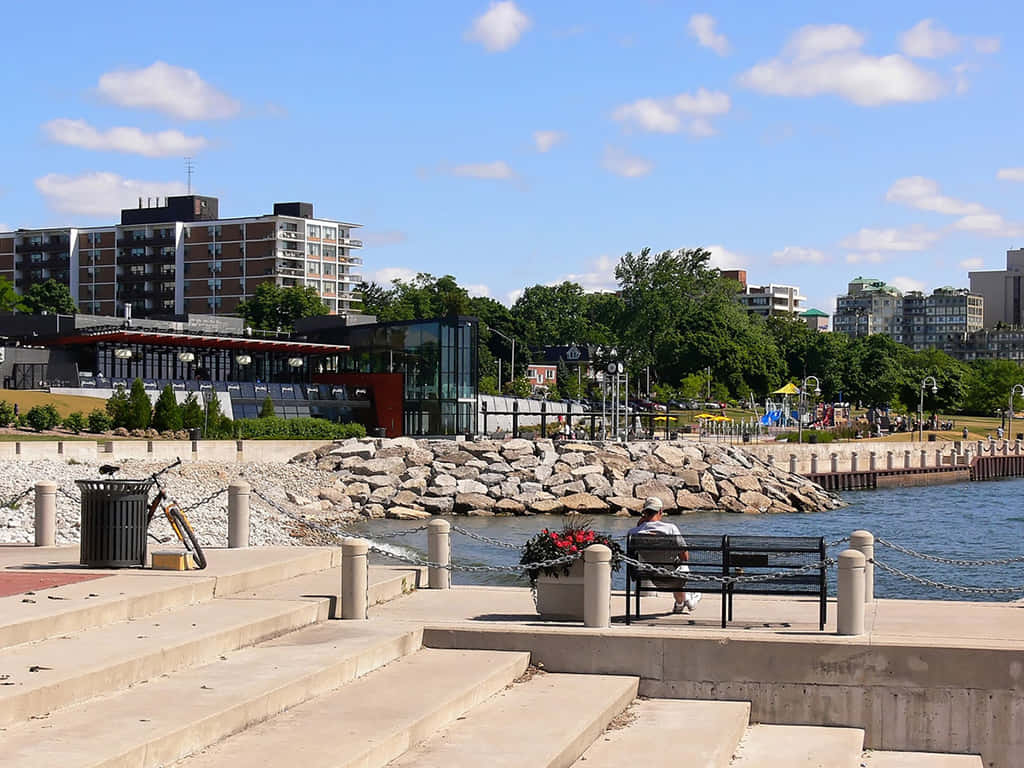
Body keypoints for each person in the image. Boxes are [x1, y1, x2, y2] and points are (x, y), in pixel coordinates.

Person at [627, 497, 702, 614]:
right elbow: (685, 557)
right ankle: (687, 600)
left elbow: (632, 557)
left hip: (653, 577)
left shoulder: (633, 533)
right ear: (660, 511)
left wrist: (639, 525)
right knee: (680, 567)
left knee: (673, 570)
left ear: (644, 513)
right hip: (675, 576)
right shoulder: (670, 529)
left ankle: (681, 603)